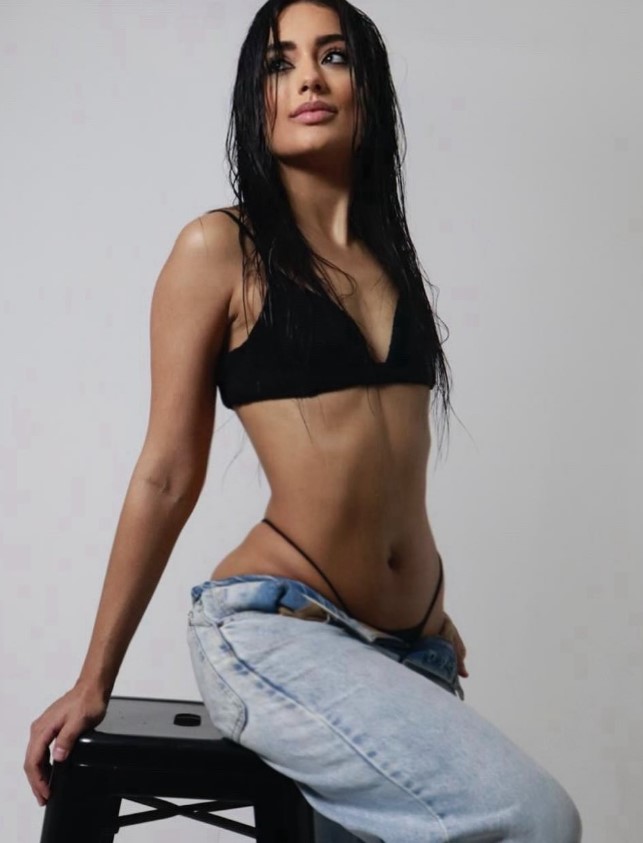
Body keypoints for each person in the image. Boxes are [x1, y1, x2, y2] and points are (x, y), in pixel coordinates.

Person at [25, 1, 582, 840]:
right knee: (536, 817)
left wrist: (423, 605)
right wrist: (93, 677)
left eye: (334, 56)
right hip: (280, 633)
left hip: (414, 648)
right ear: (257, 98)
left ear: (367, 88)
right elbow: (166, 474)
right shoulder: (219, 250)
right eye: (280, 63)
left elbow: (388, 459)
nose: (309, 79)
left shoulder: (389, 257)